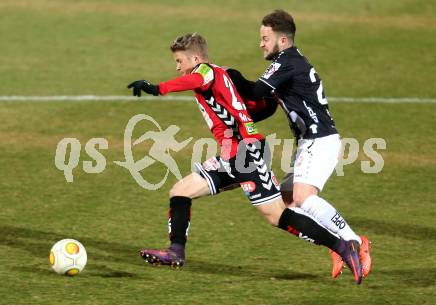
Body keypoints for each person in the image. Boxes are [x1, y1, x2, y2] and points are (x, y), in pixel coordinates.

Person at [127, 32, 363, 284]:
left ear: (195, 58)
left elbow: (197, 79)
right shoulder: (221, 75)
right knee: (180, 191)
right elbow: (253, 106)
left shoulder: (206, 72)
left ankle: (342, 246)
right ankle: (176, 251)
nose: (177, 67)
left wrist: (156, 88)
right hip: (233, 153)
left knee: (277, 216)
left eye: (179, 61)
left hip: (246, 154)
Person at [226, 10, 372, 280]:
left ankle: (353, 242)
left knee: (303, 197)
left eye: (265, 38)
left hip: (319, 139)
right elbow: (263, 106)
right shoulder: (290, 63)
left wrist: (226, 75)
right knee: (284, 205)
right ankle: (335, 244)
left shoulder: (287, 61)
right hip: (310, 142)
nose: (261, 44)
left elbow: (255, 91)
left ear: (282, 40)